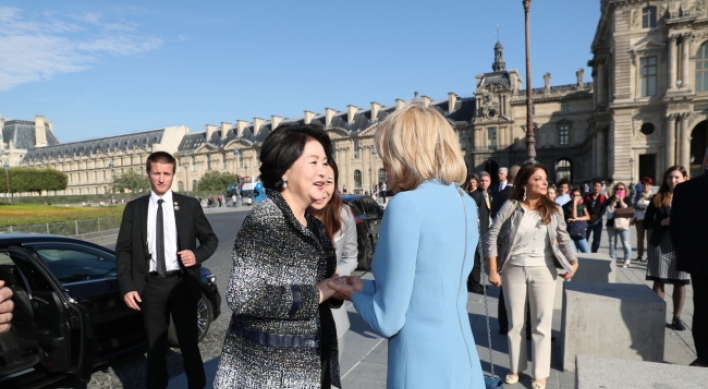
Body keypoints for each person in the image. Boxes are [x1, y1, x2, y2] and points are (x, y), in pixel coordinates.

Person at [327, 104, 485, 388]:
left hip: (420, 365)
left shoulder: (407, 205)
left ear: (406, 152)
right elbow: (431, 288)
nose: (384, 163)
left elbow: (387, 320)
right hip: (463, 358)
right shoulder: (464, 201)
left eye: (387, 153)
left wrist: (351, 294)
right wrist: (366, 287)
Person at [213, 124, 342, 388]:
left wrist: (335, 288)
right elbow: (243, 295)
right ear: (285, 170)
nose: (323, 170)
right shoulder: (266, 220)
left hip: (311, 359)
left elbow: (318, 284)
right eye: (314, 162)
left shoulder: (311, 223)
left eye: (325, 162)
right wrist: (315, 294)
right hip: (270, 371)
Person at [115, 151, 218, 389]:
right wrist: (127, 286)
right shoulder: (134, 209)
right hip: (150, 287)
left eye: (166, 173)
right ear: (148, 174)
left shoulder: (190, 205)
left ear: (173, 175)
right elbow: (124, 250)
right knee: (155, 348)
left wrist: (196, 255)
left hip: (182, 283)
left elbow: (210, 240)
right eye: (156, 173)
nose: (161, 179)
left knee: (189, 345)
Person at [484, 163, 578, 389]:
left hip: (544, 270)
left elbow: (563, 238)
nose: (544, 182)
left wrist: (574, 262)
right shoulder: (511, 205)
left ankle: (540, 373)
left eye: (545, 178)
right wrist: (493, 269)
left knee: (541, 324)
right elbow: (491, 235)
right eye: (538, 179)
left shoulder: (553, 209)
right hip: (513, 269)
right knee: (516, 323)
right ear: (525, 184)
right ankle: (515, 367)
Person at [308, 159, 358, 365]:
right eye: (316, 182)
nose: (323, 190)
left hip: (332, 316)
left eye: (329, 183)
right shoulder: (290, 217)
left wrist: (337, 273)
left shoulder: (343, 214)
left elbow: (351, 256)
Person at [671, 150, 708, 368]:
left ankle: (703, 356)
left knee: (702, 308)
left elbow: (676, 229)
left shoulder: (685, 189)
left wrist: (687, 252)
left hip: (699, 261)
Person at [644, 166, 690, 332]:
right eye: (670, 177)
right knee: (659, 280)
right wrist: (662, 222)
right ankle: (657, 314)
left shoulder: (691, 197)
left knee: (680, 282)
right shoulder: (658, 198)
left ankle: (676, 318)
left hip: (681, 245)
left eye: (677, 177)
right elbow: (646, 222)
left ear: (685, 178)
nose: (673, 180)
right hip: (661, 244)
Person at [489, 164, 521, 335]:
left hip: (500, 242)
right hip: (514, 242)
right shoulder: (518, 196)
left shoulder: (497, 195)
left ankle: (503, 322)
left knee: (505, 285)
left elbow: (494, 217)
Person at [468, 171, 492, 294]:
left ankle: (476, 282)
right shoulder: (474, 196)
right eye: (481, 181)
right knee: (476, 259)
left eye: (486, 181)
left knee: (478, 259)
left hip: (483, 230)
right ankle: (474, 284)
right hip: (477, 232)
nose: (483, 183)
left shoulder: (485, 195)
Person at [605, 182, 632, 267]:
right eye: (617, 189)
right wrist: (613, 202)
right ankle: (613, 258)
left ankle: (627, 259)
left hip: (624, 224)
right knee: (612, 242)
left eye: (621, 189)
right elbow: (609, 215)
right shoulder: (610, 200)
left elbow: (629, 212)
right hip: (611, 224)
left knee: (625, 242)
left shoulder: (628, 199)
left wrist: (621, 202)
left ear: (625, 190)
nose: (619, 190)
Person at [562, 188, 591, 253]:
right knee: (574, 254)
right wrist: (574, 204)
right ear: (570, 196)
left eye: (577, 195)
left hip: (580, 233)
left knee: (587, 253)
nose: (575, 197)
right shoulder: (566, 206)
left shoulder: (582, 206)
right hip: (570, 234)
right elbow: (574, 215)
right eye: (573, 195)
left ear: (581, 197)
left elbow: (588, 217)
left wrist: (578, 219)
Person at [633, 177, 654, 262]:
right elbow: (634, 205)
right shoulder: (638, 194)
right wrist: (646, 205)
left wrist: (643, 204)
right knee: (640, 238)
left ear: (651, 186)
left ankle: (649, 256)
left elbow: (654, 207)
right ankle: (639, 255)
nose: (646, 186)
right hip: (639, 218)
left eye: (648, 184)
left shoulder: (653, 195)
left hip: (650, 219)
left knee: (649, 239)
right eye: (644, 184)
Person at [583, 181, 607, 253]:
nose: (596, 188)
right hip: (588, 220)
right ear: (592, 187)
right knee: (585, 237)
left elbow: (604, 208)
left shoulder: (603, 197)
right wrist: (588, 216)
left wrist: (598, 216)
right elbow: (584, 207)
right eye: (595, 186)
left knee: (597, 238)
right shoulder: (587, 197)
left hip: (598, 220)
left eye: (598, 186)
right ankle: (585, 251)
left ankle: (594, 251)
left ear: (601, 188)